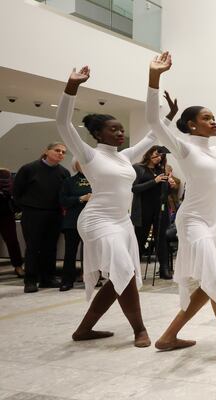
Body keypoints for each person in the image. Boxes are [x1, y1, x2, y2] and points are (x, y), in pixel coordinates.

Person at [147, 52, 216, 360]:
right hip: (193, 221)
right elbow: (153, 121)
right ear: (192, 126)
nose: (213, 121)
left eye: (213, 117)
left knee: (213, 279)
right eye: (206, 118)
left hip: (213, 224)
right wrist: (154, 77)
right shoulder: (184, 148)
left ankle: (169, 336)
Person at [55, 65, 172, 347]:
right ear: (98, 133)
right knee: (123, 269)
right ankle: (139, 330)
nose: (120, 133)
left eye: (121, 129)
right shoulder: (89, 154)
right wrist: (72, 86)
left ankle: (83, 330)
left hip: (122, 222)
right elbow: (63, 123)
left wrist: (169, 116)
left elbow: (153, 136)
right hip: (97, 220)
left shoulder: (125, 156)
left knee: (121, 274)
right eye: (114, 129)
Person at [13, 142, 70, 293]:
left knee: (50, 247)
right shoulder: (29, 169)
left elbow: (64, 195)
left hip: (54, 214)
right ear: (46, 151)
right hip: (33, 214)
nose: (61, 154)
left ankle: (48, 278)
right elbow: (16, 192)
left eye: (63, 152)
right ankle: (30, 280)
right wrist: (26, 207)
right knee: (33, 248)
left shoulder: (64, 172)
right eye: (57, 150)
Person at [131, 145, 177, 279]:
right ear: (149, 154)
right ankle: (133, 270)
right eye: (156, 155)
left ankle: (164, 269)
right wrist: (154, 181)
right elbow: (135, 189)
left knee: (161, 239)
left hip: (160, 209)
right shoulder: (138, 168)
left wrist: (170, 185)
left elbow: (163, 192)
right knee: (140, 239)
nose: (158, 158)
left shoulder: (161, 170)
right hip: (143, 209)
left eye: (161, 156)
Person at [58, 160, 92, 291]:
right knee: (70, 252)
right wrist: (81, 198)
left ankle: (91, 278)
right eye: (81, 163)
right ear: (75, 165)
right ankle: (67, 280)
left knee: (91, 253)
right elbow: (63, 201)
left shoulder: (97, 180)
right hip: (72, 222)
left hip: (92, 222)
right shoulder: (69, 182)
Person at [0, 168, 24, 278]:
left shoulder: (8, 178)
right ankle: (18, 266)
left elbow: (14, 194)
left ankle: (18, 265)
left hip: (6, 215)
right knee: (12, 241)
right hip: (7, 214)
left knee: (12, 241)